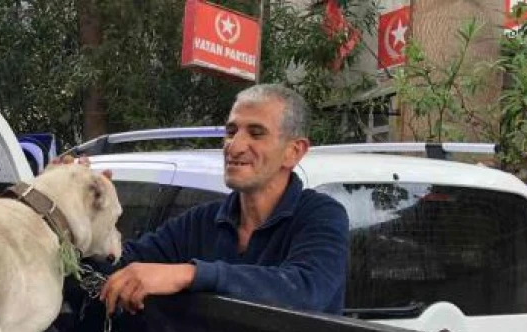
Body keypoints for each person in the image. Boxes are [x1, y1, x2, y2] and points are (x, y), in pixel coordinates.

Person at [98, 84, 350, 315]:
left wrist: (189, 274)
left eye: (256, 133)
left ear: (293, 152)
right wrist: (71, 209)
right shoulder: (200, 221)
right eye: (231, 132)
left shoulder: (322, 215)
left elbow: (306, 290)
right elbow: (118, 266)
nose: (235, 146)